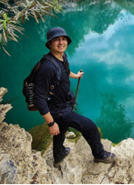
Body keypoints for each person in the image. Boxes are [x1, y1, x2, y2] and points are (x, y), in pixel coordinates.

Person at [36, 27, 116, 167]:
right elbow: (39, 98)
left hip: (64, 103)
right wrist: (50, 123)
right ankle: (99, 155)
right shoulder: (47, 67)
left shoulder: (62, 56)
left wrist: (76, 76)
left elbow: (64, 71)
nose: (61, 42)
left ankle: (59, 155)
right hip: (58, 110)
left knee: (61, 130)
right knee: (90, 127)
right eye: (56, 40)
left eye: (63, 39)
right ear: (49, 44)